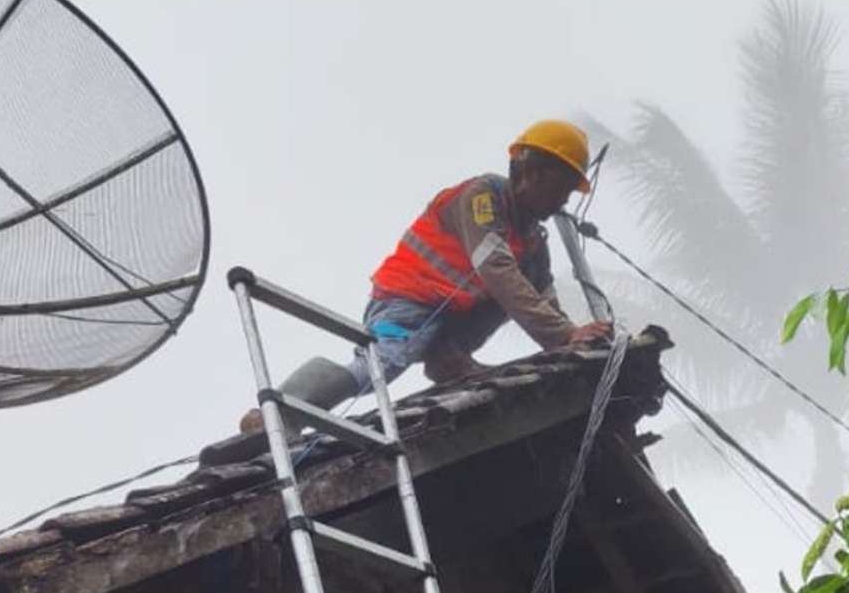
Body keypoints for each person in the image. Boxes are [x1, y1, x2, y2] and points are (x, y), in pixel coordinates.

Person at [240, 119, 613, 433]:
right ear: (531, 171)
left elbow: (544, 302)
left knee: (522, 290)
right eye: (561, 186)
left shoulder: (532, 241)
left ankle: (447, 359)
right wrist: (564, 335)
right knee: (382, 365)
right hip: (405, 301)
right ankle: (281, 412)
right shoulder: (482, 198)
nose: (564, 199)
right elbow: (496, 269)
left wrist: (571, 339)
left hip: (450, 319)